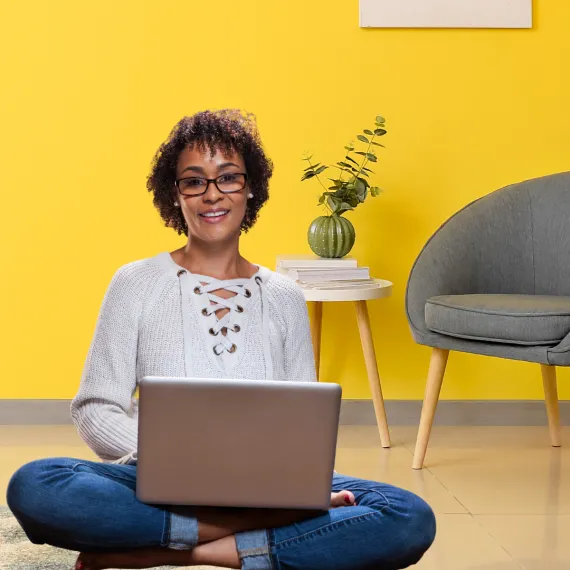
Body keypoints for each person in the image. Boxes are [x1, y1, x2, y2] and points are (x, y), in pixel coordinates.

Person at [6, 109, 436, 570]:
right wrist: (172, 459)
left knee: (408, 517)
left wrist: (286, 482)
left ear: (250, 187)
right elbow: (95, 406)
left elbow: (300, 428)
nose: (213, 194)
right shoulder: (134, 282)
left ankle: (168, 549)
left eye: (228, 178)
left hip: (268, 486)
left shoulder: (286, 296)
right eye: (195, 181)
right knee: (35, 484)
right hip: (153, 480)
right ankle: (257, 531)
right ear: (177, 195)